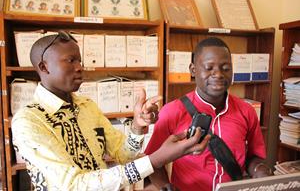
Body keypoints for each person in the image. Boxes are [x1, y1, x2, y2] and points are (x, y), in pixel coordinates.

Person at [11, 31, 211, 190]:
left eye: (80, 60)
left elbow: (123, 154)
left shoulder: (86, 106)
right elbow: (73, 185)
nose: (80, 67)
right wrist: (156, 160)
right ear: (44, 67)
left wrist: (137, 126)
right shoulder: (28, 121)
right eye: (70, 60)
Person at [145, 37, 273, 191]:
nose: (218, 74)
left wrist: (259, 170)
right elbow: (152, 161)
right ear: (193, 70)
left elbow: (253, 156)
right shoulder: (172, 111)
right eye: (209, 67)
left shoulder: (247, 111)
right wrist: (165, 187)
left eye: (226, 68)